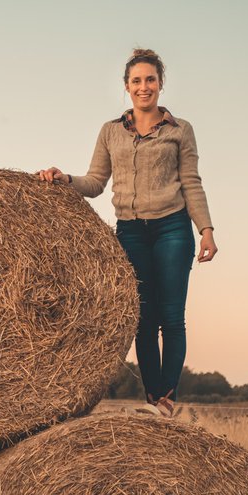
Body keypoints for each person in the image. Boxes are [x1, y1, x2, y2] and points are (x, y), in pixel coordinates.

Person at [38, 48, 217, 416]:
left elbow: (191, 183)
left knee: (171, 316)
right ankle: (152, 400)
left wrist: (206, 230)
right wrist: (64, 179)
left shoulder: (180, 130)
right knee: (142, 318)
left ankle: (168, 397)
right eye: (136, 80)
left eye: (150, 79)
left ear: (161, 84)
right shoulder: (110, 132)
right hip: (131, 232)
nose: (144, 86)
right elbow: (95, 183)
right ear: (126, 86)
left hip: (172, 227)